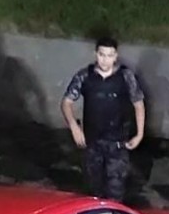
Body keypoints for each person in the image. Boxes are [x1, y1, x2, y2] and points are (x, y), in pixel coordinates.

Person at [60, 36, 146, 201]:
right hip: (92, 143)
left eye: (109, 55)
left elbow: (138, 103)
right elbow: (66, 102)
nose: (105, 60)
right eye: (101, 55)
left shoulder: (126, 76)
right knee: (93, 191)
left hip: (118, 144)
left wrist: (140, 134)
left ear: (116, 56)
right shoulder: (85, 76)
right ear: (95, 54)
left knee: (116, 192)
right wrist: (74, 126)